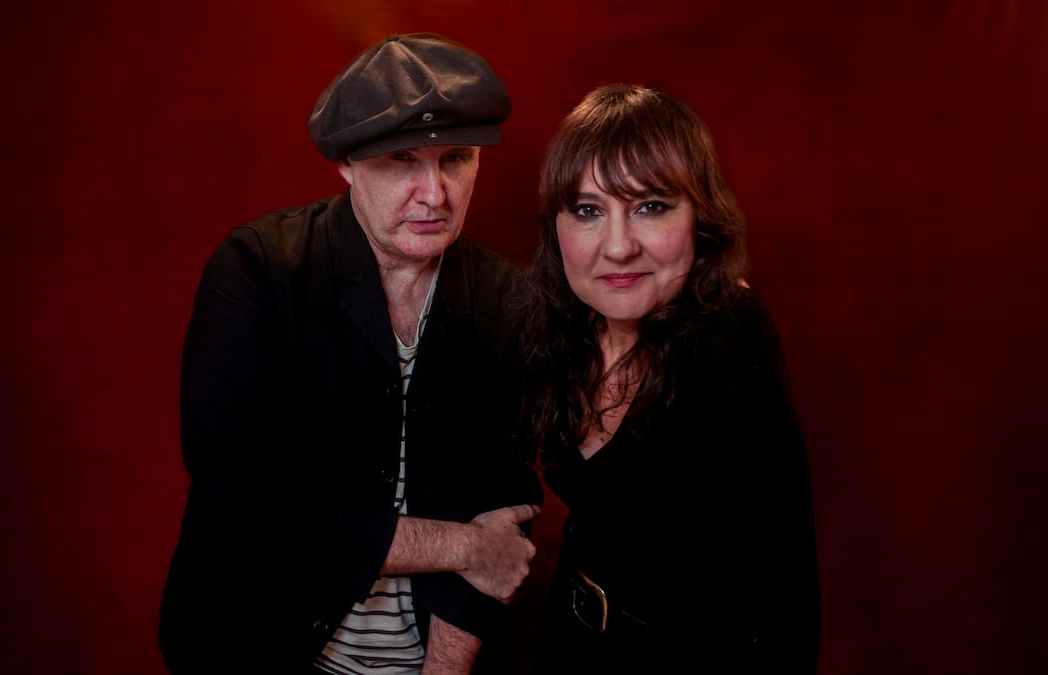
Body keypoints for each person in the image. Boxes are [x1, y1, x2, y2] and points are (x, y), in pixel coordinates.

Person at [158, 33, 543, 674]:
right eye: (401, 160)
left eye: (455, 158)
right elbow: (245, 508)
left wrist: (440, 672)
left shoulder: (508, 299)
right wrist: (463, 547)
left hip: (429, 658)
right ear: (346, 163)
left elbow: (503, 511)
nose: (435, 194)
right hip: (259, 646)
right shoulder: (258, 270)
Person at [518, 84, 821, 672]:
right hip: (570, 642)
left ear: (700, 217)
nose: (618, 246)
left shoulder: (731, 338)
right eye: (588, 211)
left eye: (650, 206)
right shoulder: (565, 326)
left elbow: (785, 594)